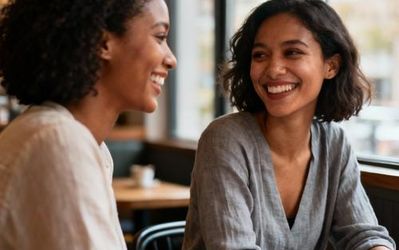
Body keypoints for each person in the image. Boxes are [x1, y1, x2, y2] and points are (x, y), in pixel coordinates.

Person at [182, 0, 395, 249]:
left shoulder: (334, 144)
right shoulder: (225, 139)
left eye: (292, 52)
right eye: (260, 55)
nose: (273, 69)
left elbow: (364, 234)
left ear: (331, 66)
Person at [0, 0, 176, 249]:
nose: (171, 59)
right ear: (103, 43)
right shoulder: (58, 142)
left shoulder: (79, 142)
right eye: (159, 37)